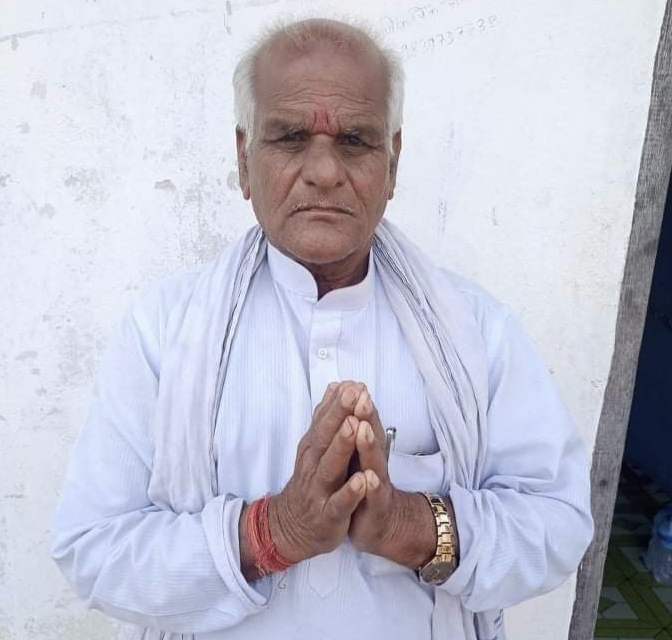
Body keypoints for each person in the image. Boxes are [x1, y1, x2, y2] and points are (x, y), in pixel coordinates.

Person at [51, 17, 594, 640]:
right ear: (244, 159)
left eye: (355, 140)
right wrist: (271, 533)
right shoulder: (163, 331)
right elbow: (93, 549)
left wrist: (409, 526)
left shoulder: (476, 331)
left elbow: (557, 524)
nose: (325, 171)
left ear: (392, 163)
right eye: (289, 137)